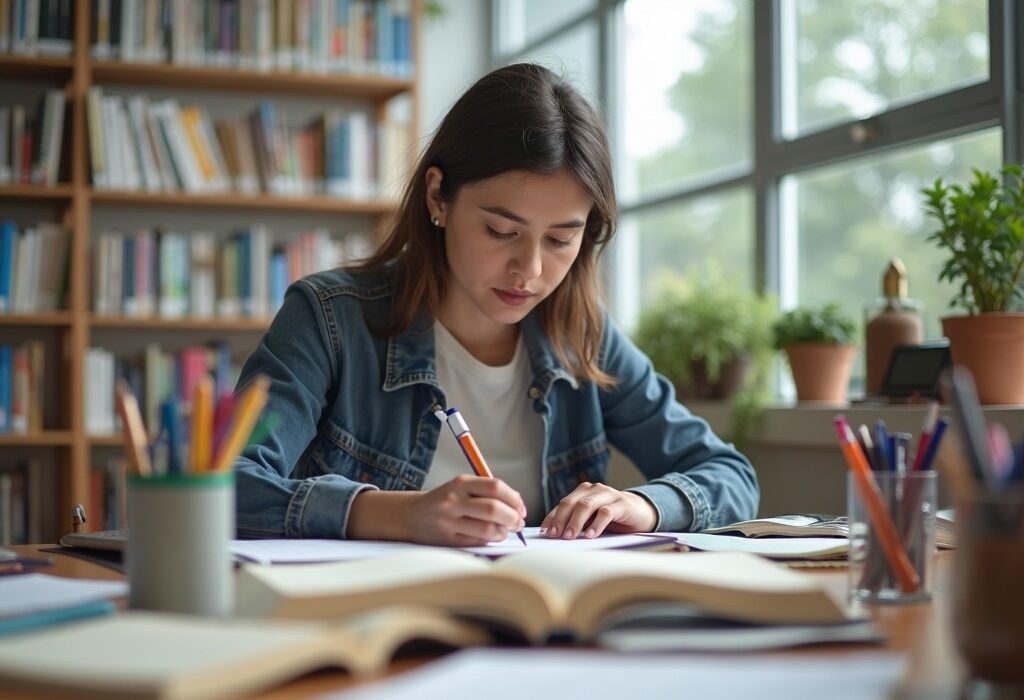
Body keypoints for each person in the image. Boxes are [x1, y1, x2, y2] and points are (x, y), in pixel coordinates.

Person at [234, 63, 758, 545]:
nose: (529, 270)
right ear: (438, 197)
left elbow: (730, 475)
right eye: (501, 230)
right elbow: (226, 483)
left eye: (559, 240)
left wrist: (644, 504)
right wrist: (398, 515)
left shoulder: (583, 336)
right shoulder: (329, 318)